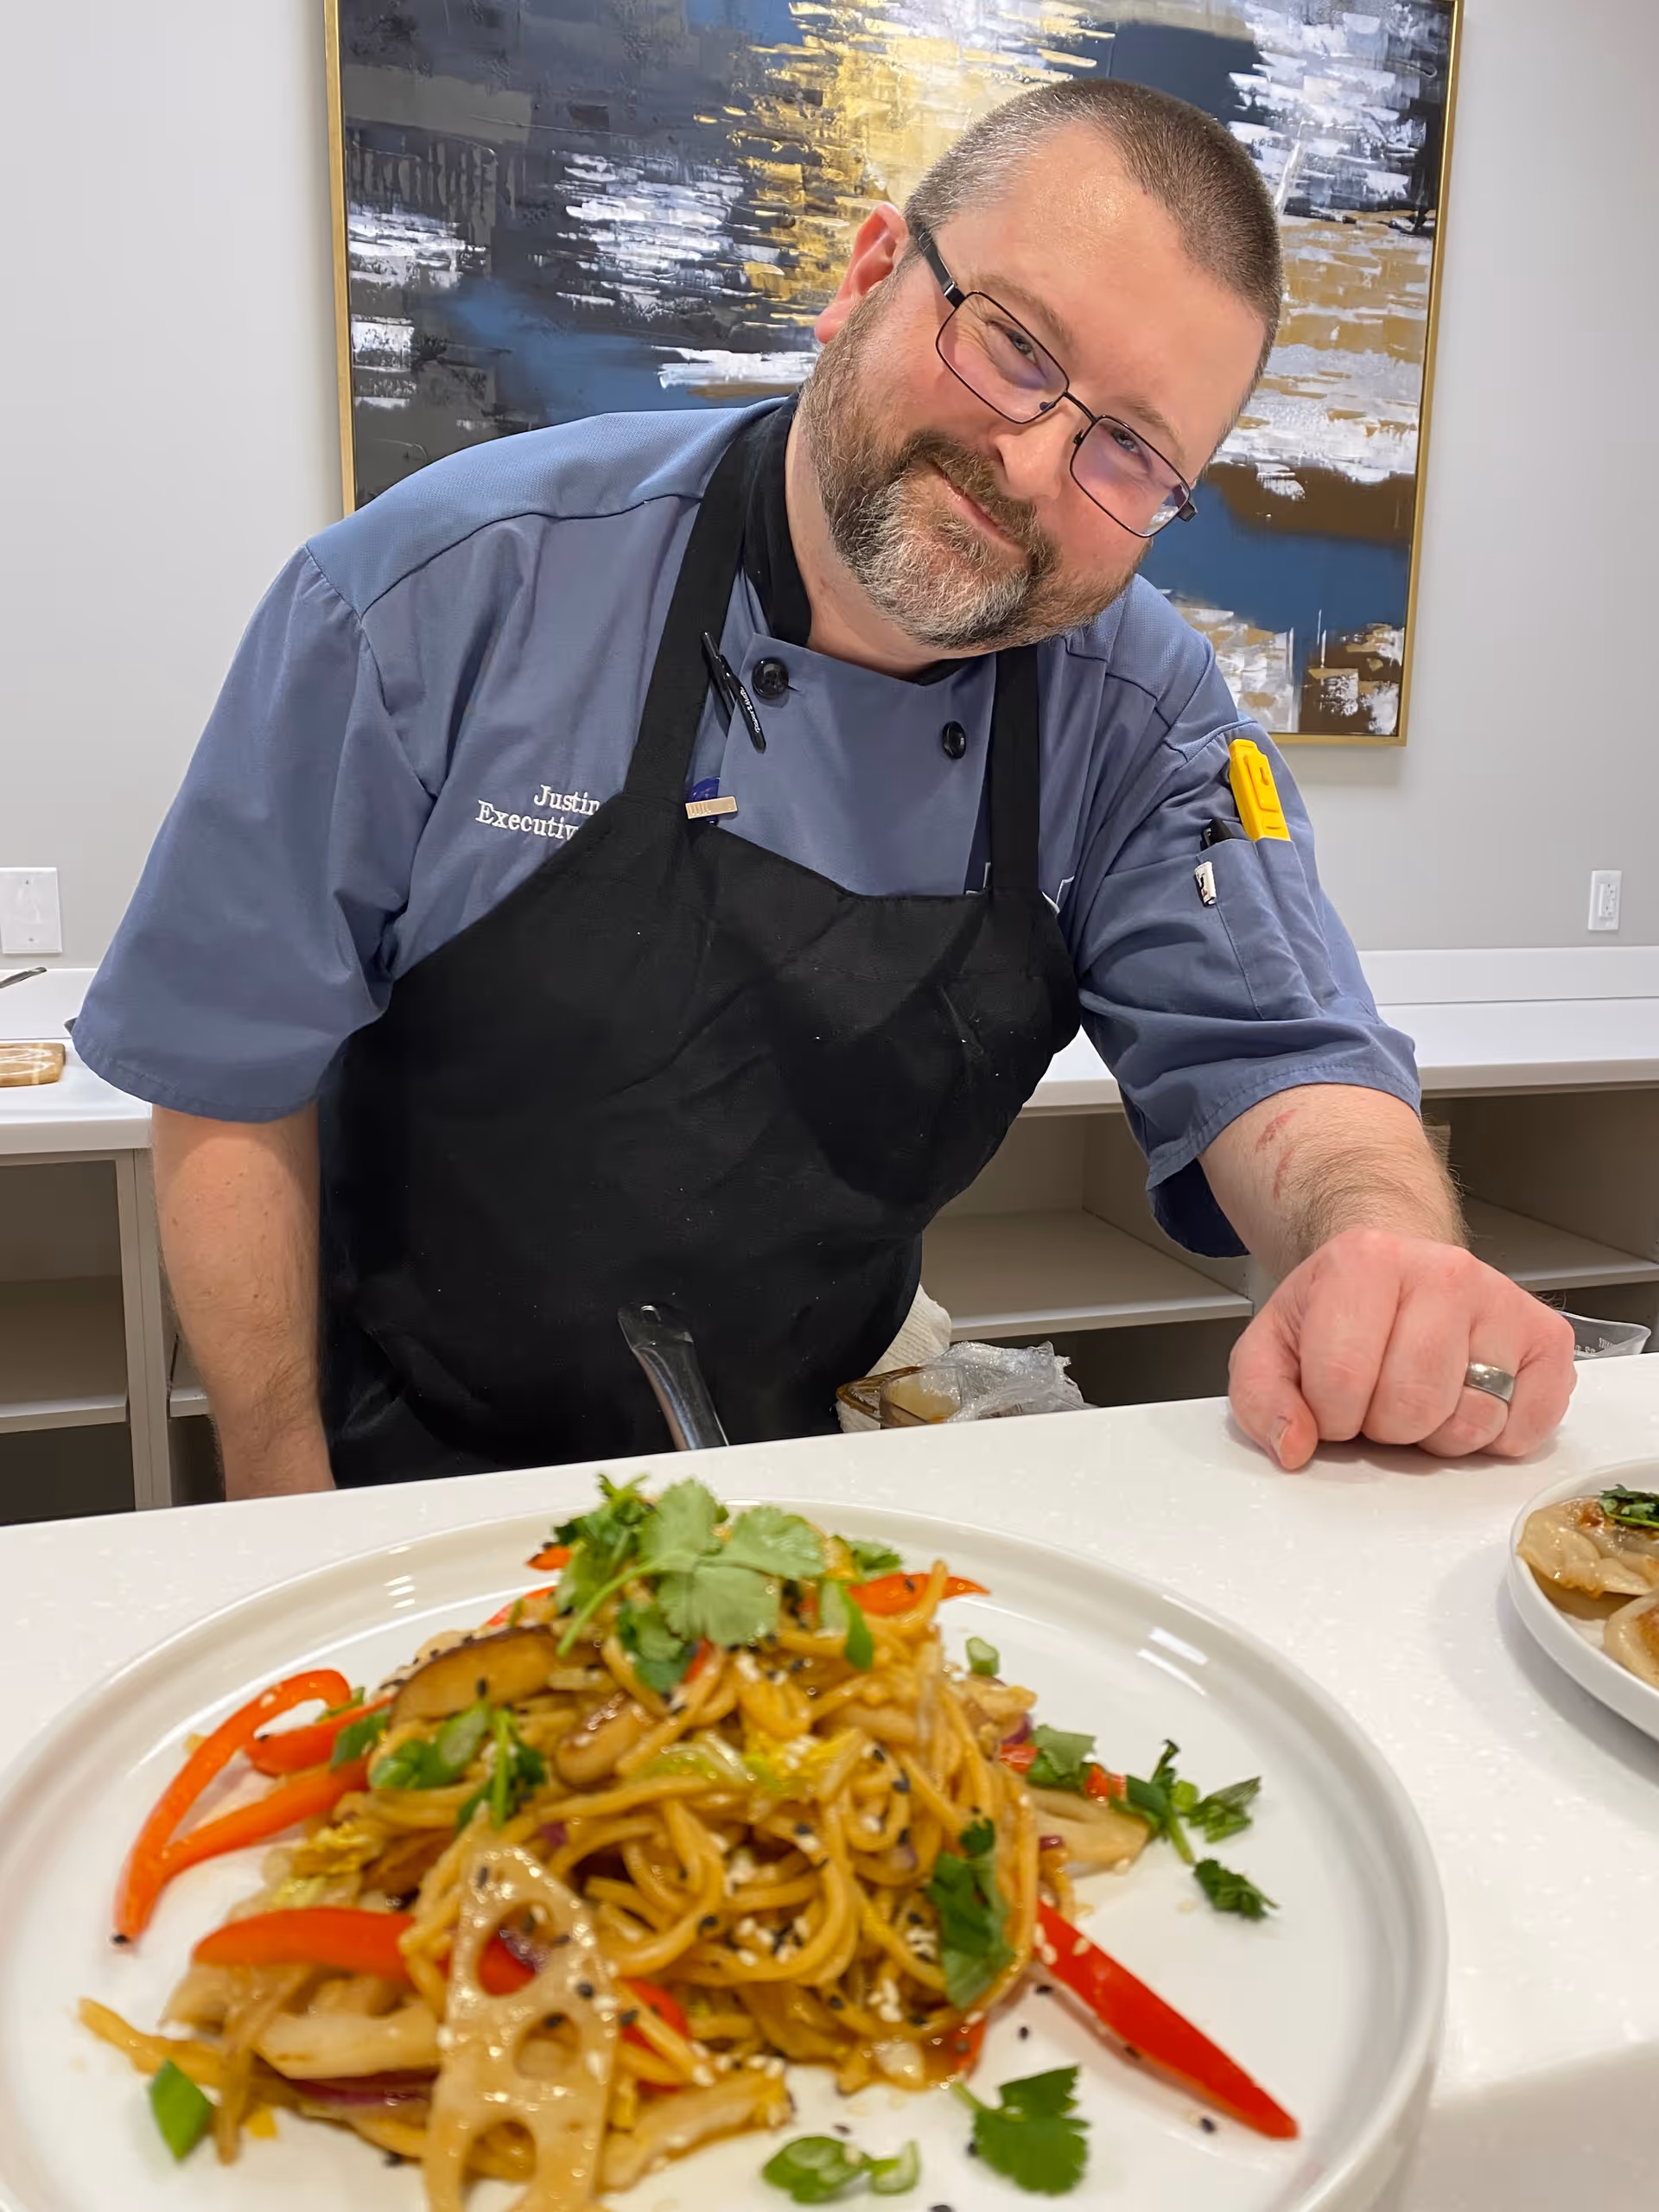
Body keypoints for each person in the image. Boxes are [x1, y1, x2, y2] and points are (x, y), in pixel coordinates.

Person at [75, 79, 1575, 1497]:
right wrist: (283, 1510)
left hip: (814, 1457)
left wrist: (1381, 1246)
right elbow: (228, 1083)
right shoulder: (435, 593)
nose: (1033, 462)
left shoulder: (1141, 710)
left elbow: (1284, 1062)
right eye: (1014, 345)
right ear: (869, 276)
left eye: (1130, 449)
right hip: (407, 1449)